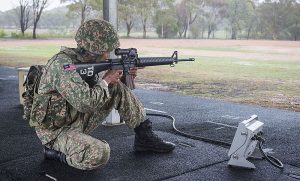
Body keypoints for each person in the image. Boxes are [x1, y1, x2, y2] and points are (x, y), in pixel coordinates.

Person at [30, 19, 175, 170]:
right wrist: (106, 80)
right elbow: (86, 103)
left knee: (116, 87)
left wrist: (121, 76)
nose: (107, 55)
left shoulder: (86, 62)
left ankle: (144, 136)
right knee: (99, 153)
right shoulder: (63, 66)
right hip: (56, 131)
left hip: (75, 119)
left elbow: (106, 91)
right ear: (94, 50)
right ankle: (54, 153)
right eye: (105, 50)